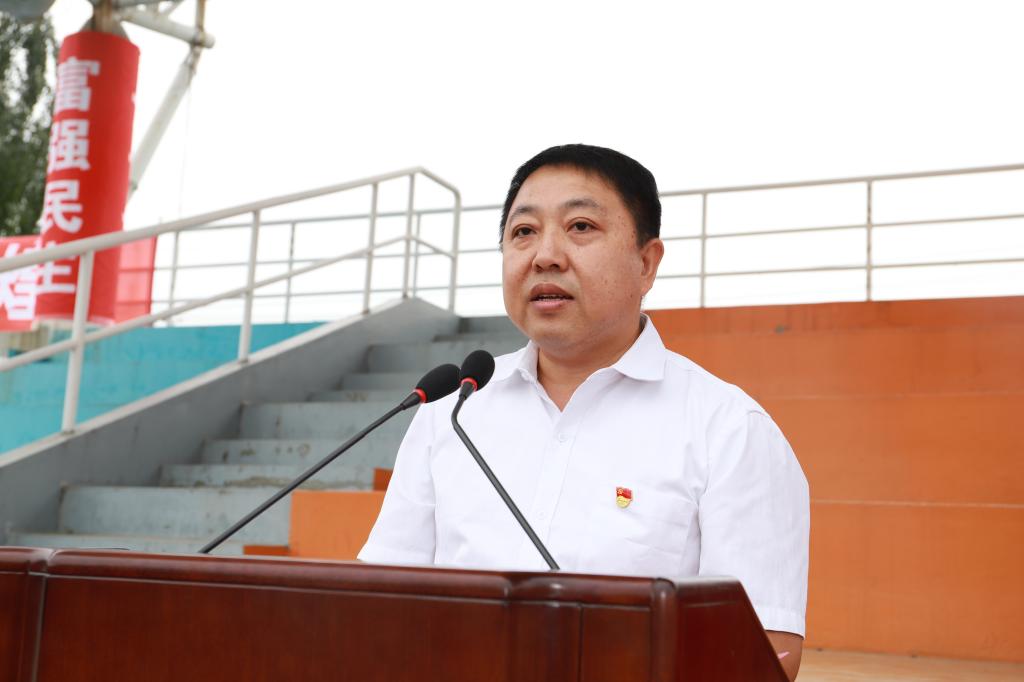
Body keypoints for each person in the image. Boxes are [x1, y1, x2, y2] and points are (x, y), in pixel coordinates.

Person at [359, 144, 810, 680]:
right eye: (523, 232)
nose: (545, 255)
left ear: (646, 263)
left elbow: (759, 652)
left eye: (580, 227)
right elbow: (379, 609)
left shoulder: (731, 430)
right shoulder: (452, 411)